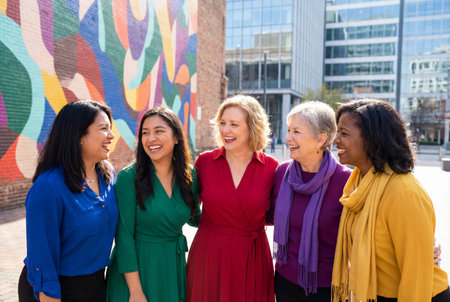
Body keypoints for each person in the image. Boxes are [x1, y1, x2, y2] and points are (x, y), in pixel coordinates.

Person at [331, 99, 450, 301]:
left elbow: (416, 276)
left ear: (372, 138)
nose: (336, 140)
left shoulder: (404, 192)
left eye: (344, 133)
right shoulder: (358, 184)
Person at [18, 100, 118, 302]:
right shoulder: (48, 187)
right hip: (55, 289)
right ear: (79, 136)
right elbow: (43, 259)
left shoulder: (107, 174)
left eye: (110, 128)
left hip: (97, 284)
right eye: (103, 128)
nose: (112, 135)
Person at [186, 95, 278, 302]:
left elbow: (274, 214)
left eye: (234, 124)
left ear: (252, 128)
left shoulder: (271, 168)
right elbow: (190, 208)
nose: (225, 130)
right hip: (209, 254)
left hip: (252, 256)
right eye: (222, 123)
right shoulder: (205, 162)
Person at [106, 106, 200, 302]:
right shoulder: (129, 178)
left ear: (176, 137)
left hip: (172, 267)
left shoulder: (189, 175)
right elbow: (124, 237)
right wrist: (136, 292)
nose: (150, 139)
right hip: (136, 270)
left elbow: (197, 219)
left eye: (159, 131)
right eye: (145, 133)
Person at [267, 101, 352, 302]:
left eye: (296, 131)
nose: (288, 137)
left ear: (320, 139)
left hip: (326, 287)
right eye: (288, 130)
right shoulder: (282, 173)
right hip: (284, 280)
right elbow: (266, 214)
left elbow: (366, 230)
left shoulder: (346, 181)